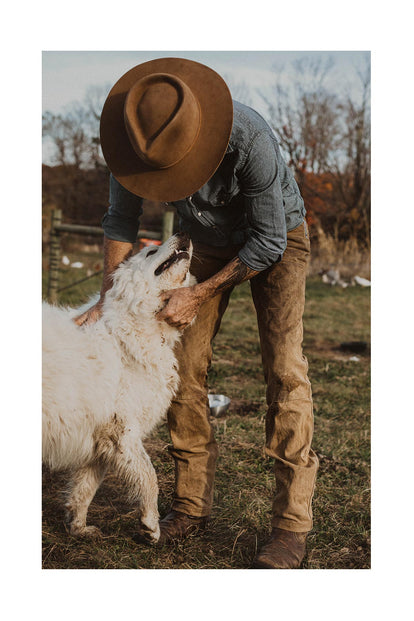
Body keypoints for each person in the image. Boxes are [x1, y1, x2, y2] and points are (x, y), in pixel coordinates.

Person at [75, 57, 319, 569]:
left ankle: (291, 526)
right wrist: (107, 297)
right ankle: (189, 506)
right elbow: (121, 220)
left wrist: (198, 293)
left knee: (285, 372)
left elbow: (268, 240)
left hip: (276, 240)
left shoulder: (249, 137)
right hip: (199, 244)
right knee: (182, 371)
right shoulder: (133, 140)